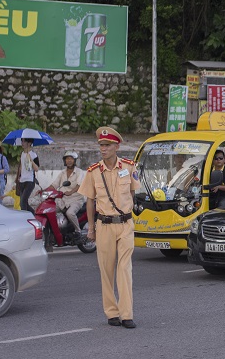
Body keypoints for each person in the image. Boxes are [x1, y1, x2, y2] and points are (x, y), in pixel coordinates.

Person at [78, 126, 139, 329]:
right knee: (106, 270)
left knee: (124, 268)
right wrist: (90, 229)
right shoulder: (93, 172)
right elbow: (89, 201)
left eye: (107, 145)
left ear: (116, 146)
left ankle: (127, 314)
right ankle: (112, 312)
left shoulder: (130, 167)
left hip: (125, 225)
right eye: (101, 145)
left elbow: (132, 193)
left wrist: (128, 215)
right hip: (103, 225)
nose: (103, 149)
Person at [47, 151, 85, 244]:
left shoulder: (79, 172)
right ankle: (54, 232)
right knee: (49, 211)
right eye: (67, 159)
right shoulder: (62, 173)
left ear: (74, 160)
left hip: (76, 199)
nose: (69, 161)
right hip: (62, 200)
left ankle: (78, 232)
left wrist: (71, 192)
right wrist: (43, 191)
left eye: (71, 159)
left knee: (70, 213)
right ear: (65, 161)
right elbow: (54, 185)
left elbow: (79, 185)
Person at [16, 138, 39, 214]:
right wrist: (18, 177)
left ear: (29, 143)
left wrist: (31, 160)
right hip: (22, 180)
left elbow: (36, 169)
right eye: (22, 141)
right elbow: (21, 166)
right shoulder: (22, 154)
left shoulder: (33, 155)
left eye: (24, 141)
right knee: (23, 203)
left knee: (23, 202)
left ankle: (26, 218)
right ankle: (34, 214)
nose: (22, 143)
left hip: (29, 181)